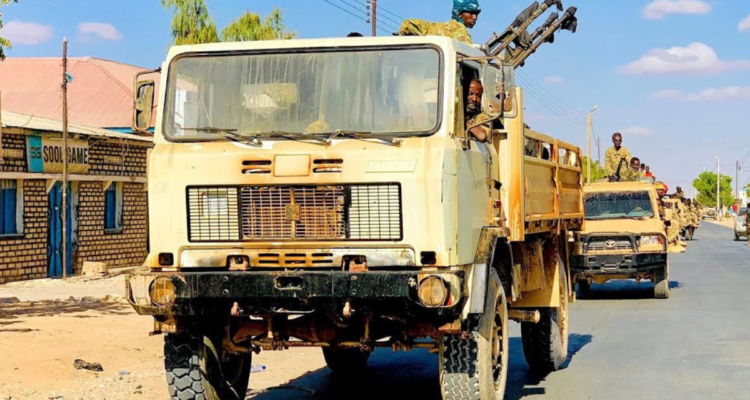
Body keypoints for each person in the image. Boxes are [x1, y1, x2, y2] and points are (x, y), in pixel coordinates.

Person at [398, 0, 480, 44]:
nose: (475, 17)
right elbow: (471, 57)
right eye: (471, 12)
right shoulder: (460, 30)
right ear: (459, 13)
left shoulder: (432, 28)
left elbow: (407, 24)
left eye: (476, 14)